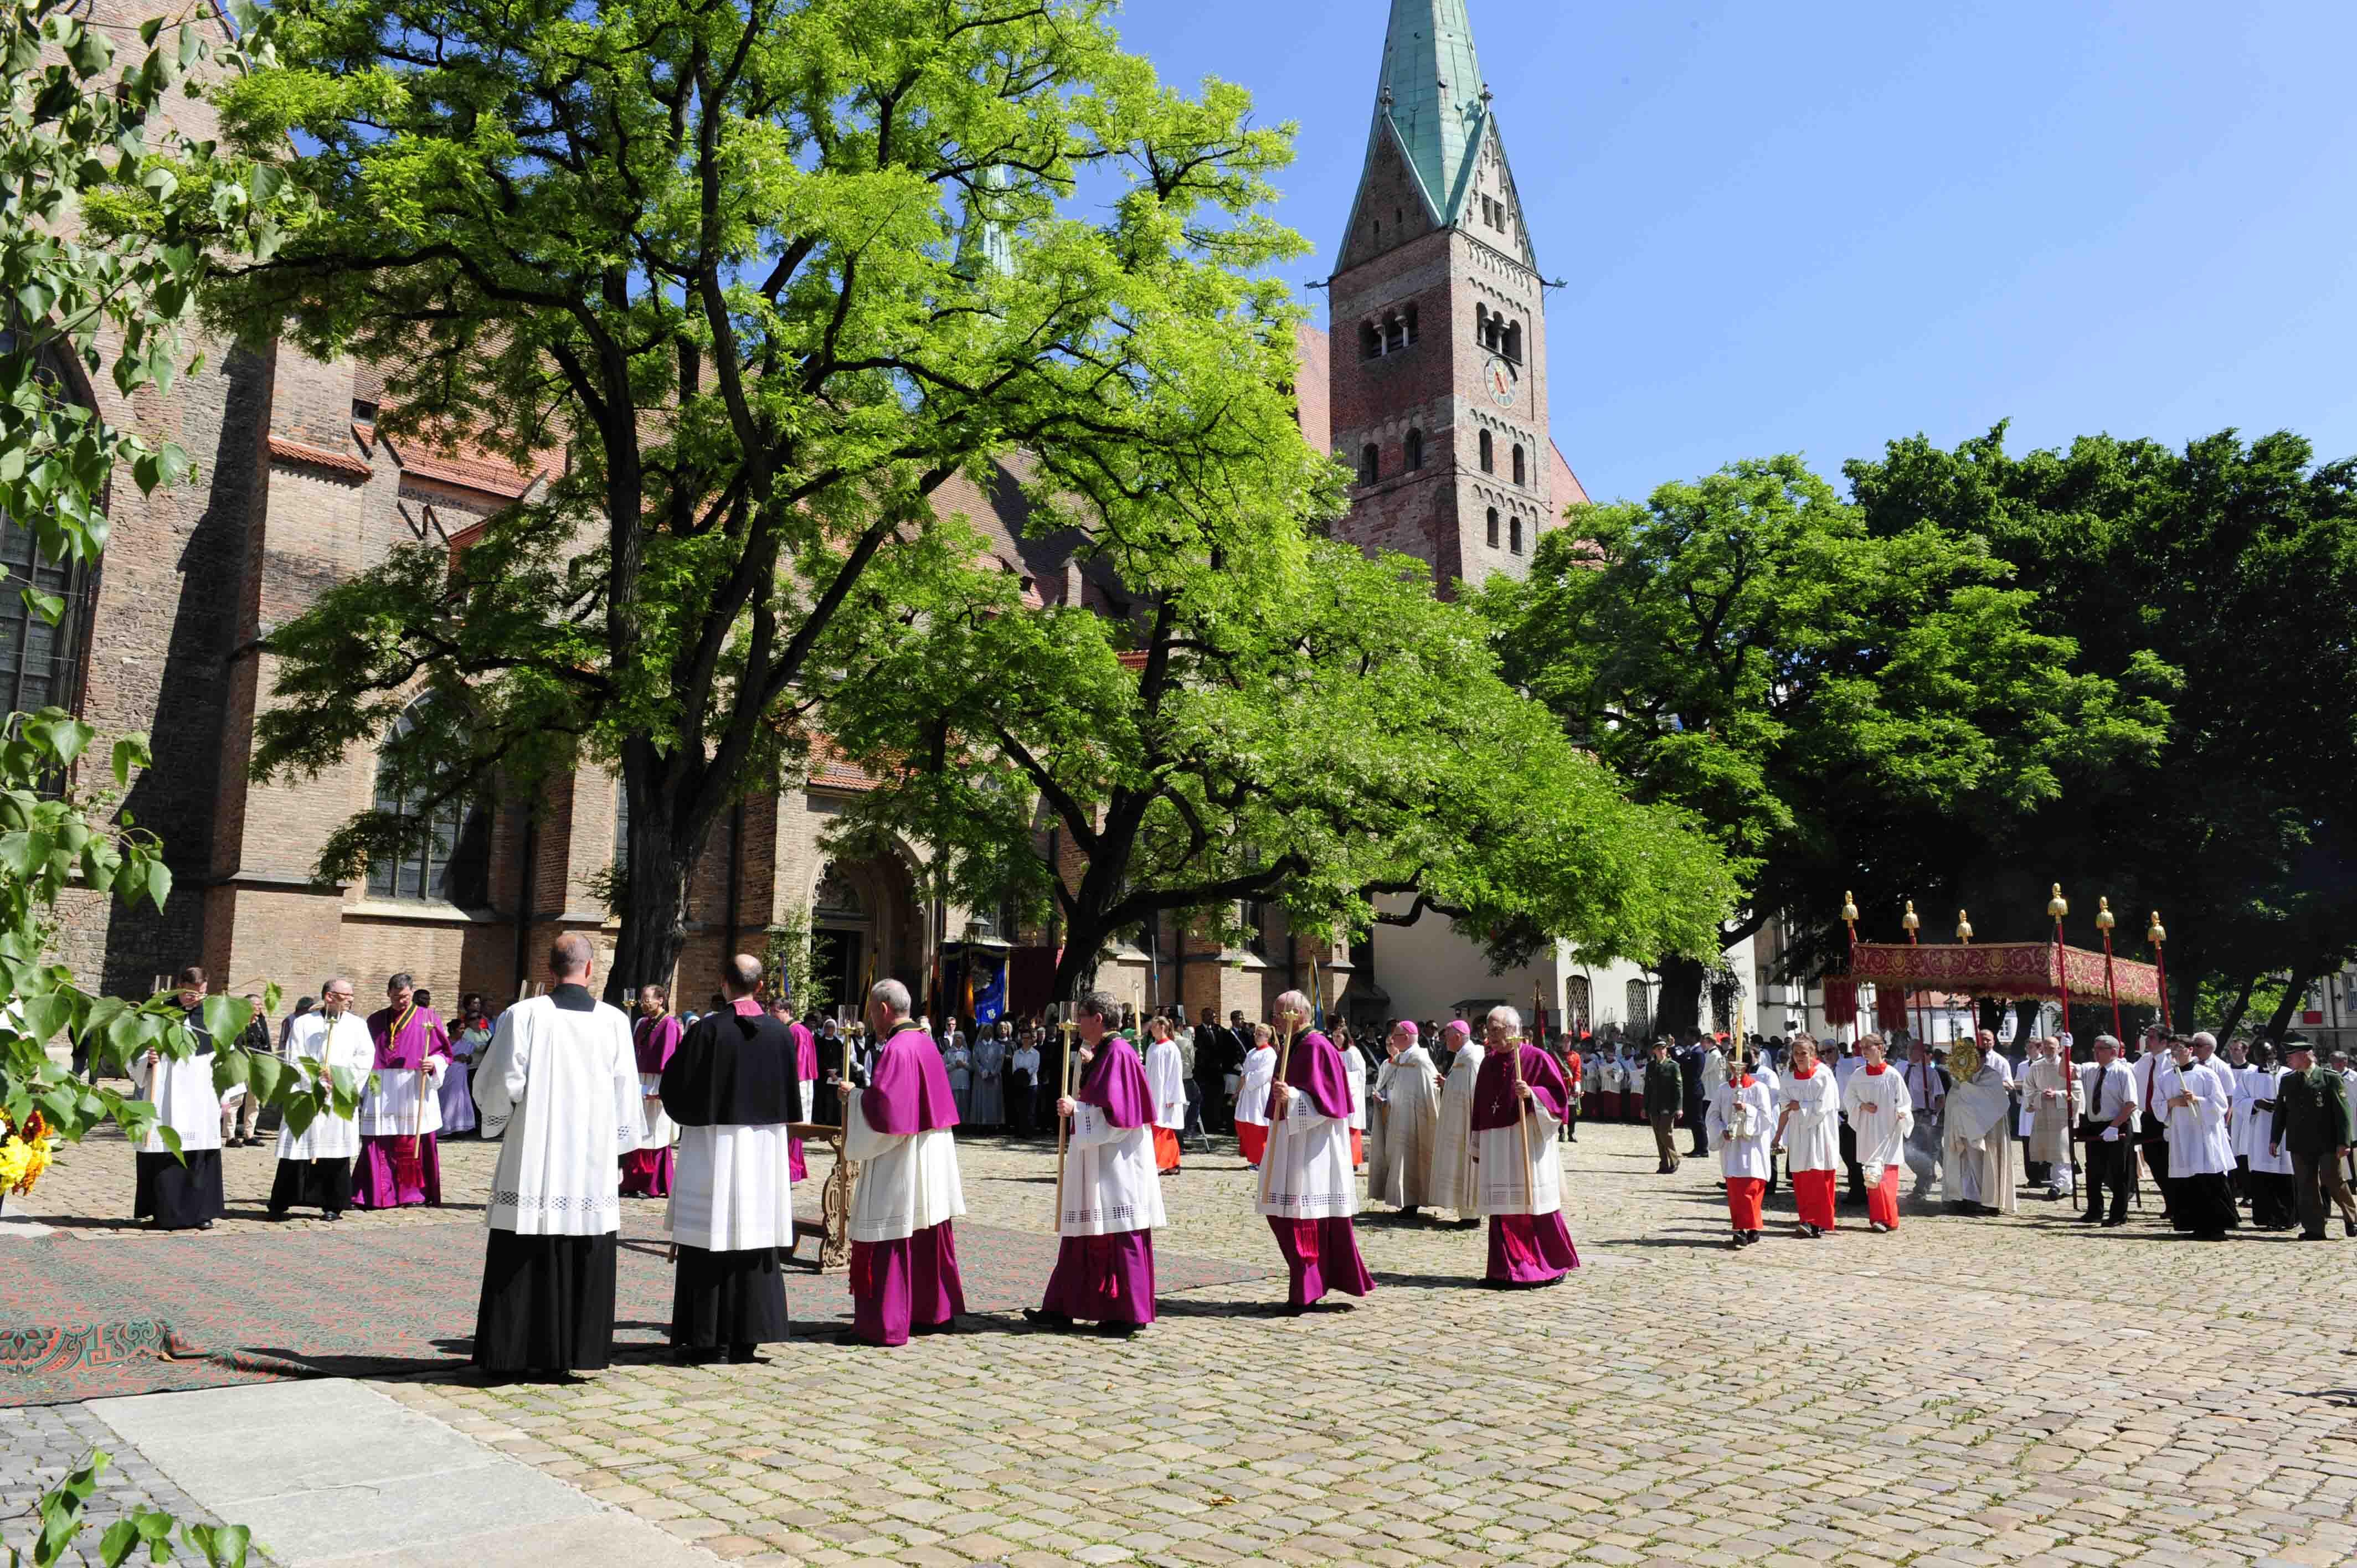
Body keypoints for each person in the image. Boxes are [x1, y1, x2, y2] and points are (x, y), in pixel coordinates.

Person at [470, 935, 645, 1376]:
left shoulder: (524, 1014)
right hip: (591, 1158)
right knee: (583, 1241)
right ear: (591, 969)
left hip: (535, 1151)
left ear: (549, 970)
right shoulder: (614, 1021)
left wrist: (500, 1115)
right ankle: (576, 1353)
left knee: (524, 1242)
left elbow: (501, 1082)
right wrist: (618, 1147)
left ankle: (512, 1353)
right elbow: (626, 1091)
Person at [662, 955, 797, 1365]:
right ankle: (747, 1339)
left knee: (712, 1234)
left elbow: (675, 1088)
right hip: (764, 1149)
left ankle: (709, 1339)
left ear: (724, 983)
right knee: (754, 1236)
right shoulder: (781, 1034)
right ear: (761, 987)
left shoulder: (707, 1030)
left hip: (714, 1147)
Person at [1028, 990, 1163, 1335]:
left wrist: (1077, 1110)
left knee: (1118, 1236)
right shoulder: (1106, 1051)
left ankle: (1126, 1312)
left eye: (1082, 1018)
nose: (1078, 1024)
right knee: (1082, 1234)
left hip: (1117, 1165)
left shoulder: (1118, 1053)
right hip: (1099, 1160)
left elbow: (1121, 1118)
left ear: (1098, 1019)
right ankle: (1062, 1306)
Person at [843, 979, 968, 1346]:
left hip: (903, 1154)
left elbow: (886, 1112)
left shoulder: (897, 1048)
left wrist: (854, 1097)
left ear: (884, 1010)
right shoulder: (925, 1042)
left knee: (891, 1232)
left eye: (872, 1012)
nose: (872, 1020)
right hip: (933, 1149)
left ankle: (884, 1324)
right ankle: (931, 1313)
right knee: (927, 1233)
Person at [1255, 989, 1372, 1312]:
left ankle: (1306, 1291)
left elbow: (1330, 1103)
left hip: (1314, 1147)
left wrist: (1292, 1097)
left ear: (1299, 1015)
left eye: (1279, 1014)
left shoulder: (1316, 1046)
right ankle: (1307, 1285)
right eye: (1274, 1014)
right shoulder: (1291, 1045)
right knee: (1282, 1215)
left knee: (1303, 1218)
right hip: (1290, 1139)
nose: (1275, 1020)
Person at [1469, 1008, 1577, 1287]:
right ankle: (1504, 1271)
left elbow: (1559, 1099)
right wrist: (1477, 1142)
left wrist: (1533, 1094)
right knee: (1503, 1206)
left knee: (1533, 1204)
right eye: (1489, 1031)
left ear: (1514, 1030)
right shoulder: (1488, 1063)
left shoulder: (1536, 1058)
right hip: (1497, 1144)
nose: (1491, 1036)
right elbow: (1479, 1106)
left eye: (1497, 1030)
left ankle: (1548, 1267)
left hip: (1527, 1141)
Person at [130, 967, 228, 1231]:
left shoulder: (215, 1015)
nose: (195, 998)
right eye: (189, 993)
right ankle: (165, 1213)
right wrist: (146, 1060)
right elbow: (134, 1047)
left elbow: (228, 1055)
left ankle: (202, 1213)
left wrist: (227, 1095)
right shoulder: (158, 1012)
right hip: (166, 1095)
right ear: (179, 986)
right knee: (165, 1153)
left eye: (201, 993)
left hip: (202, 1095)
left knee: (199, 1154)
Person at [270, 977, 373, 1220]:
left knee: (334, 1150)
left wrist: (340, 1079)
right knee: (298, 1148)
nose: (350, 1000)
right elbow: (295, 1056)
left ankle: (333, 1204)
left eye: (351, 996)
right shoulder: (304, 1023)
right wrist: (315, 1081)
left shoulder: (358, 1025)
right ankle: (281, 1202)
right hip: (307, 1093)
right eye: (346, 996)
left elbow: (365, 1057)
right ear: (329, 997)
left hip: (339, 1095)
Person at [352, 973, 452, 1210]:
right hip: (382, 1085)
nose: (402, 1001)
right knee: (379, 1138)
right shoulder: (375, 1020)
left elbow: (445, 1053)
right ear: (388, 994)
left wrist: (433, 1063)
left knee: (411, 1140)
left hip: (413, 1084)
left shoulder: (428, 1017)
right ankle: (374, 1194)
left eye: (406, 996)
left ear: (412, 992)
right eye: (397, 997)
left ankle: (412, 1193)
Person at [2271, 1039, 2357, 1240]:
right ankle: (2314, 1228)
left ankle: (2352, 1219)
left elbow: (2342, 1113)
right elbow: (2281, 1112)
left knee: (2333, 1179)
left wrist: (2344, 1142)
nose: (2287, 1060)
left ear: (2303, 1056)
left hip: (2327, 1141)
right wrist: (2275, 1139)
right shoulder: (2288, 1080)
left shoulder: (2329, 1078)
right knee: (2306, 1184)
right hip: (2299, 1142)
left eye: (2291, 1056)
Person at [2154, 1035, 2235, 1239]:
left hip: (2203, 1134)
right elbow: (2157, 1105)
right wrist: (2172, 1103)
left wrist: (2197, 1099)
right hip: (2181, 1133)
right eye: (2172, 1048)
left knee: (2208, 1178)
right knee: (2187, 1179)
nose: (2174, 1051)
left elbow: (2221, 1104)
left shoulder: (2206, 1075)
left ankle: (2215, 1227)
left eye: (2179, 1047)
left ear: (2190, 1050)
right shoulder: (2165, 1078)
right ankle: (2193, 1224)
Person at [1840, 1034, 1913, 1231]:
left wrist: (1902, 1112)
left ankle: (1889, 1219)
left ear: (1880, 1048)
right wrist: (1862, 1106)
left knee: (1887, 1177)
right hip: (1868, 1130)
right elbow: (1848, 1099)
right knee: (1872, 1176)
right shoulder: (1859, 1075)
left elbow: (1905, 1102)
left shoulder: (1892, 1075)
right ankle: (1878, 1218)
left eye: (1868, 1047)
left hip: (1889, 1131)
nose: (1864, 1051)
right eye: (1862, 1047)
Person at [1706, 1047, 1775, 1247]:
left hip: (1752, 1147)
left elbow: (1766, 1118)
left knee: (1752, 1188)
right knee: (1736, 1191)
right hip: (1732, 1147)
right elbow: (1712, 1115)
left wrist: (1748, 1110)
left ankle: (1752, 1226)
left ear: (1746, 1064)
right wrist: (1722, 1130)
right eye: (1730, 1061)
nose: (1732, 1065)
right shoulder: (1723, 1090)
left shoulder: (1759, 1089)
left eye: (1736, 1061)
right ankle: (1741, 1229)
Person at [1370, 1021, 1440, 1214]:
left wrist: (1419, 1112)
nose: (1392, 1040)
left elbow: (1431, 1091)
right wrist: (1382, 1095)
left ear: (1407, 1037)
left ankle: (1411, 1203)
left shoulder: (1420, 1060)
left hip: (1414, 1122)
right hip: (1396, 1117)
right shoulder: (1400, 1059)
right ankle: (1405, 1201)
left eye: (1396, 1037)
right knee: (1399, 1159)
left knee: (1411, 1161)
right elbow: (1389, 1084)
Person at [1944, 1034, 2016, 1216]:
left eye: (1975, 1059)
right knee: (1966, 1165)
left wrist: (1966, 1089)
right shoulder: (1962, 1077)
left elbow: (1992, 1101)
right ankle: (1967, 1198)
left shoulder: (1992, 1076)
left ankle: (1990, 1201)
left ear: (1983, 1059)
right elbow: (1954, 1098)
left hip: (1989, 1130)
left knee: (1987, 1165)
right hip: (1964, 1131)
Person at [621, 984, 683, 1199]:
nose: (643, 1003)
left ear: (660, 1000)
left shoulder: (670, 1025)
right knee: (638, 1129)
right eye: (642, 999)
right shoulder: (642, 1023)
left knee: (655, 1132)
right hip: (640, 1079)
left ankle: (653, 1183)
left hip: (658, 1081)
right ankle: (632, 1180)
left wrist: (660, 1090)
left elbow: (669, 1059)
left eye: (647, 999)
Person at [1776, 1035, 1840, 1237]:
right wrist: (1778, 1136)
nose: (1800, 1057)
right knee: (1802, 1178)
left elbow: (1825, 1106)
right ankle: (1806, 1218)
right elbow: (1784, 1105)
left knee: (1818, 1176)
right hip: (1798, 1132)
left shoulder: (1823, 1076)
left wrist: (1801, 1106)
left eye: (1804, 1053)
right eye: (1796, 1053)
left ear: (1812, 1054)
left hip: (1819, 1131)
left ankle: (1819, 1222)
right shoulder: (1788, 1077)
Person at [2076, 1034, 2140, 1227]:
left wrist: (2114, 1126)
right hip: (2095, 1125)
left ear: (2113, 1052)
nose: (2096, 1053)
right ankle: (2094, 1210)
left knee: (2118, 1172)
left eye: (2100, 1049)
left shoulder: (2123, 1072)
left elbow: (2131, 1103)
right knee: (2093, 1171)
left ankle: (2119, 1214)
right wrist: (2065, 1050)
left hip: (2118, 1124)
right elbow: (2065, 1073)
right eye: (2094, 1049)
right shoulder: (2091, 1070)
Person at [1427, 1019, 1484, 1224]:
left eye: (1448, 1037)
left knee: (1468, 1167)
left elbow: (1475, 1090)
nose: (1445, 1041)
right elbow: (1461, 1085)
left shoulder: (1471, 1058)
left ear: (1458, 1037)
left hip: (1467, 1123)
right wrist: (1447, 1083)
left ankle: (1472, 1215)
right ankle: (1467, 1213)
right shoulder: (1462, 1056)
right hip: (1459, 1123)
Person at [2241, 1041, 2296, 1230]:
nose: (2265, 1058)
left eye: (2268, 1054)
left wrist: (2283, 1106)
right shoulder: (2248, 1076)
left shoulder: (2287, 1074)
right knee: (2262, 1174)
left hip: (2284, 1131)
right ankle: (2266, 1217)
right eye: (2260, 1054)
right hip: (2259, 1131)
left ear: (2275, 1053)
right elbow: (2239, 1102)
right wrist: (2256, 1104)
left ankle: (2287, 1217)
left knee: (2285, 1172)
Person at [2021, 1037, 2081, 1202]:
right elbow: (2028, 1089)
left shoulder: (2068, 1066)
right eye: (2045, 1048)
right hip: (2043, 1113)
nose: (2048, 1051)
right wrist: (2040, 1096)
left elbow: (2077, 1092)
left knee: (2062, 1150)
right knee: (2049, 1150)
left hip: (2062, 1115)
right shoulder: (2036, 1067)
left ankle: (2062, 1184)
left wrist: (2058, 1095)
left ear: (2060, 1049)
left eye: (2052, 1048)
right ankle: (2061, 1183)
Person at [768, 993, 818, 1182]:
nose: (772, 1015)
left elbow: (799, 1062)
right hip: (790, 1082)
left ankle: (792, 1169)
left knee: (793, 1128)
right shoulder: (788, 1029)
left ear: (787, 1011)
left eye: (776, 1011)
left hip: (797, 1084)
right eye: (771, 1011)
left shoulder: (797, 1031)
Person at [219, 992, 271, 1148]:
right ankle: (230, 1136)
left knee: (254, 1101)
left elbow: (267, 1043)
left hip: (257, 1065)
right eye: (257, 1005)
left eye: (260, 1005)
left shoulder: (261, 1021)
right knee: (236, 1100)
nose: (260, 1008)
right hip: (240, 1064)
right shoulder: (237, 1022)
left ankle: (249, 1135)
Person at [1901, 1038, 1946, 1199]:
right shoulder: (1900, 1069)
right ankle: (1927, 1175)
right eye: (1909, 1048)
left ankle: (1922, 1186)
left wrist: (1935, 1115)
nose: (1910, 1051)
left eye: (1914, 1049)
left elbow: (1941, 1097)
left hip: (1922, 1116)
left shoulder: (1930, 1073)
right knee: (1906, 1152)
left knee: (1922, 1151)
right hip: (1904, 1115)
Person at [441, 993, 490, 1138]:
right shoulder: (445, 1043)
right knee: (448, 1100)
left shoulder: (467, 1043)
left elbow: (471, 1056)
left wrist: (467, 1058)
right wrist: (455, 1058)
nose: (462, 1031)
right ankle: (445, 1128)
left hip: (462, 1075)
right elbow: (440, 1056)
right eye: (460, 1029)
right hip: (449, 1076)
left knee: (461, 1101)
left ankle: (460, 1127)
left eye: (463, 1029)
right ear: (453, 1030)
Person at [1143, 1015, 1187, 1174]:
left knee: (1162, 1128)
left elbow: (1175, 1074)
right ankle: (1172, 1163)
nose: (1151, 1030)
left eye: (1154, 1026)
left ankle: (1161, 1162)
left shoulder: (1171, 1048)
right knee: (1158, 1128)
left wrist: (1172, 1097)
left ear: (1162, 1027)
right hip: (1153, 1092)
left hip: (1165, 1095)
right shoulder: (1151, 1047)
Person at [1233, 1022, 1277, 1169]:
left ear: (1268, 1037)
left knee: (1259, 1126)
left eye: (1260, 1034)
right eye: (1256, 1034)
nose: (1257, 1036)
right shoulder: (1251, 1052)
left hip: (1260, 1093)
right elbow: (1244, 1072)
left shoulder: (1270, 1053)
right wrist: (1238, 1091)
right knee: (1248, 1125)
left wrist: (1248, 1078)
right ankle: (1254, 1158)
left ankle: (1262, 1160)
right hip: (1248, 1094)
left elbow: (1264, 1074)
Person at [1644, 1038, 1682, 1174]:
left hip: (1668, 1106)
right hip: (1654, 1105)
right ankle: (1664, 1164)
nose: (1661, 1051)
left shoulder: (1673, 1066)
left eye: (1664, 1048)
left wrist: (1679, 1107)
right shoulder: (1651, 1066)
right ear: (1654, 1051)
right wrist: (1645, 1106)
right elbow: (1647, 1087)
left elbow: (1679, 1088)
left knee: (1665, 1133)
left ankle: (1674, 1160)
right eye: (1658, 1049)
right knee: (1658, 1135)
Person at [1338, 1020, 1368, 1172]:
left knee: (1352, 1127)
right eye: (1334, 1036)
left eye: (1339, 1036)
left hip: (1352, 1094)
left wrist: (1343, 1080)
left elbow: (1359, 1074)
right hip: (1339, 1094)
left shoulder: (1353, 1052)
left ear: (1346, 1036)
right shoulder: (1336, 1052)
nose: (1336, 1039)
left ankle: (1354, 1160)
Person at [970, 1019, 1007, 1131]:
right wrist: (983, 1072)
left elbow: (1000, 1061)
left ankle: (993, 1125)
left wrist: (993, 1072)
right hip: (981, 1078)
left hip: (994, 1079)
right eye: (986, 1030)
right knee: (981, 1100)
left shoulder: (998, 1046)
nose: (988, 1032)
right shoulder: (977, 1046)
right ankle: (981, 1125)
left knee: (993, 1101)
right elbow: (975, 1061)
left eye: (990, 1030)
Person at [1009, 1028, 1042, 1138]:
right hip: (1019, 1084)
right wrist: (1020, 1077)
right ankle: (1020, 1131)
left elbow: (1035, 1068)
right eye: (1024, 1038)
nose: (1026, 1040)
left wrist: (1024, 1074)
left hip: (1031, 1084)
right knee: (1020, 1108)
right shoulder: (1017, 1053)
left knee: (1030, 1109)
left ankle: (1029, 1132)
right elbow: (1014, 1068)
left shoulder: (1036, 1053)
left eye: (1028, 1038)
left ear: (1031, 1039)